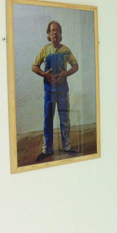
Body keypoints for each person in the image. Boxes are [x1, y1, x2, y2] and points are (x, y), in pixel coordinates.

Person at [32, 20, 79, 162]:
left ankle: (67, 146)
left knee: (65, 119)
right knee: (48, 119)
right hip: (49, 92)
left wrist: (66, 73)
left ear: (60, 33)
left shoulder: (65, 50)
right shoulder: (45, 50)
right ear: (48, 33)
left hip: (63, 91)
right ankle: (47, 149)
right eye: (52, 30)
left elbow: (75, 66)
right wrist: (44, 74)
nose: (55, 33)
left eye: (57, 30)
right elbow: (34, 66)